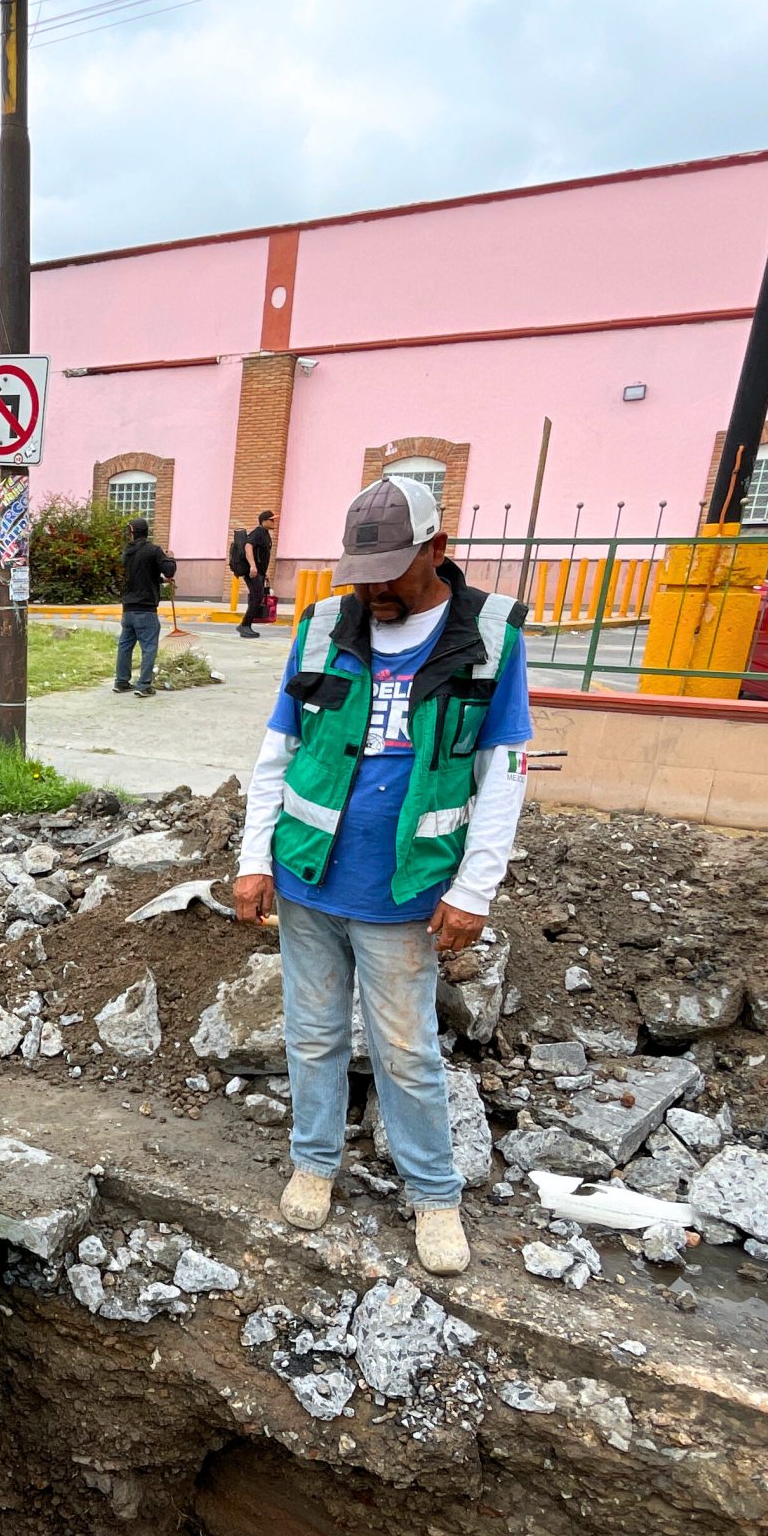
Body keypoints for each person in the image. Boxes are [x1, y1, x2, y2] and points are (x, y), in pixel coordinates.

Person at [232, 476, 533, 1274]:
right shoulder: (325, 626)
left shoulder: (489, 640)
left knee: (406, 1050)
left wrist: (473, 890)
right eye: (362, 577)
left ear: (438, 550)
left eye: (392, 573)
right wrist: (253, 859)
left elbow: (505, 776)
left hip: (404, 893)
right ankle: (314, 1163)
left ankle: (434, 1197)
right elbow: (278, 753)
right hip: (307, 879)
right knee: (314, 1033)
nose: (374, 592)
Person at [114, 513, 176, 697]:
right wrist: (170, 558)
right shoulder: (154, 550)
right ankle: (144, 686)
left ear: (132, 533)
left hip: (128, 609)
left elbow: (141, 574)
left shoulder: (128, 552)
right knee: (149, 647)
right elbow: (170, 570)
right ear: (146, 533)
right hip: (146, 609)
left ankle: (121, 681)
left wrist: (159, 580)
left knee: (125, 646)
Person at [238, 508, 276, 638]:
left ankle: (246, 625)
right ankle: (244, 625)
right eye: (271, 520)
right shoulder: (258, 532)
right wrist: (253, 566)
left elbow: (262, 555)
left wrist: (265, 573)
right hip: (253, 572)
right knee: (257, 597)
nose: (274, 522)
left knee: (257, 597)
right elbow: (248, 546)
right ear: (264, 521)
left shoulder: (265, 533)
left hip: (259, 572)